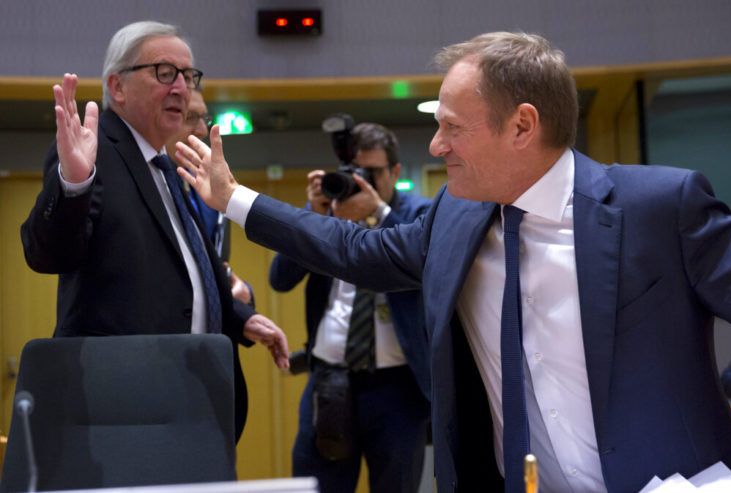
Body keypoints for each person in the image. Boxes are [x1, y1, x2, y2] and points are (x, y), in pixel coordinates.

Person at [183, 31, 731, 492]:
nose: (436, 145)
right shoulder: (454, 217)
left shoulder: (658, 207)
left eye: (452, 127)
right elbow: (356, 250)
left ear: (522, 126)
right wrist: (234, 198)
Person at [20, 20, 289, 443]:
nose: (181, 87)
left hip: (190, 401)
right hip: (122, 409)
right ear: (118, 85)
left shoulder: (165, 166)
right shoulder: (93, 150)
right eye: (165, 72)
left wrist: (240, 318)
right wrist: (73, 183)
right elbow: (47, 254)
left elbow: (186, 269)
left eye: (189, 75)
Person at [269, 123, 432, 493]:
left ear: (394, 172)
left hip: (398, 389)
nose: (361, 182)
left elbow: (426, 264)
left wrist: (378, 212)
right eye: (354, 173)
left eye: (371, 173)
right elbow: (280, 278)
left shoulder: (417, 214)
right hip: (329, 382)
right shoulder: (330, 215)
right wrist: (313, 214)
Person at [166, 89, 254, 306]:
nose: (203, 130)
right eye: (190, 118)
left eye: (204, 118)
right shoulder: (147, 185)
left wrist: (243, 296)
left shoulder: (206, 186)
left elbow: (216, 263)